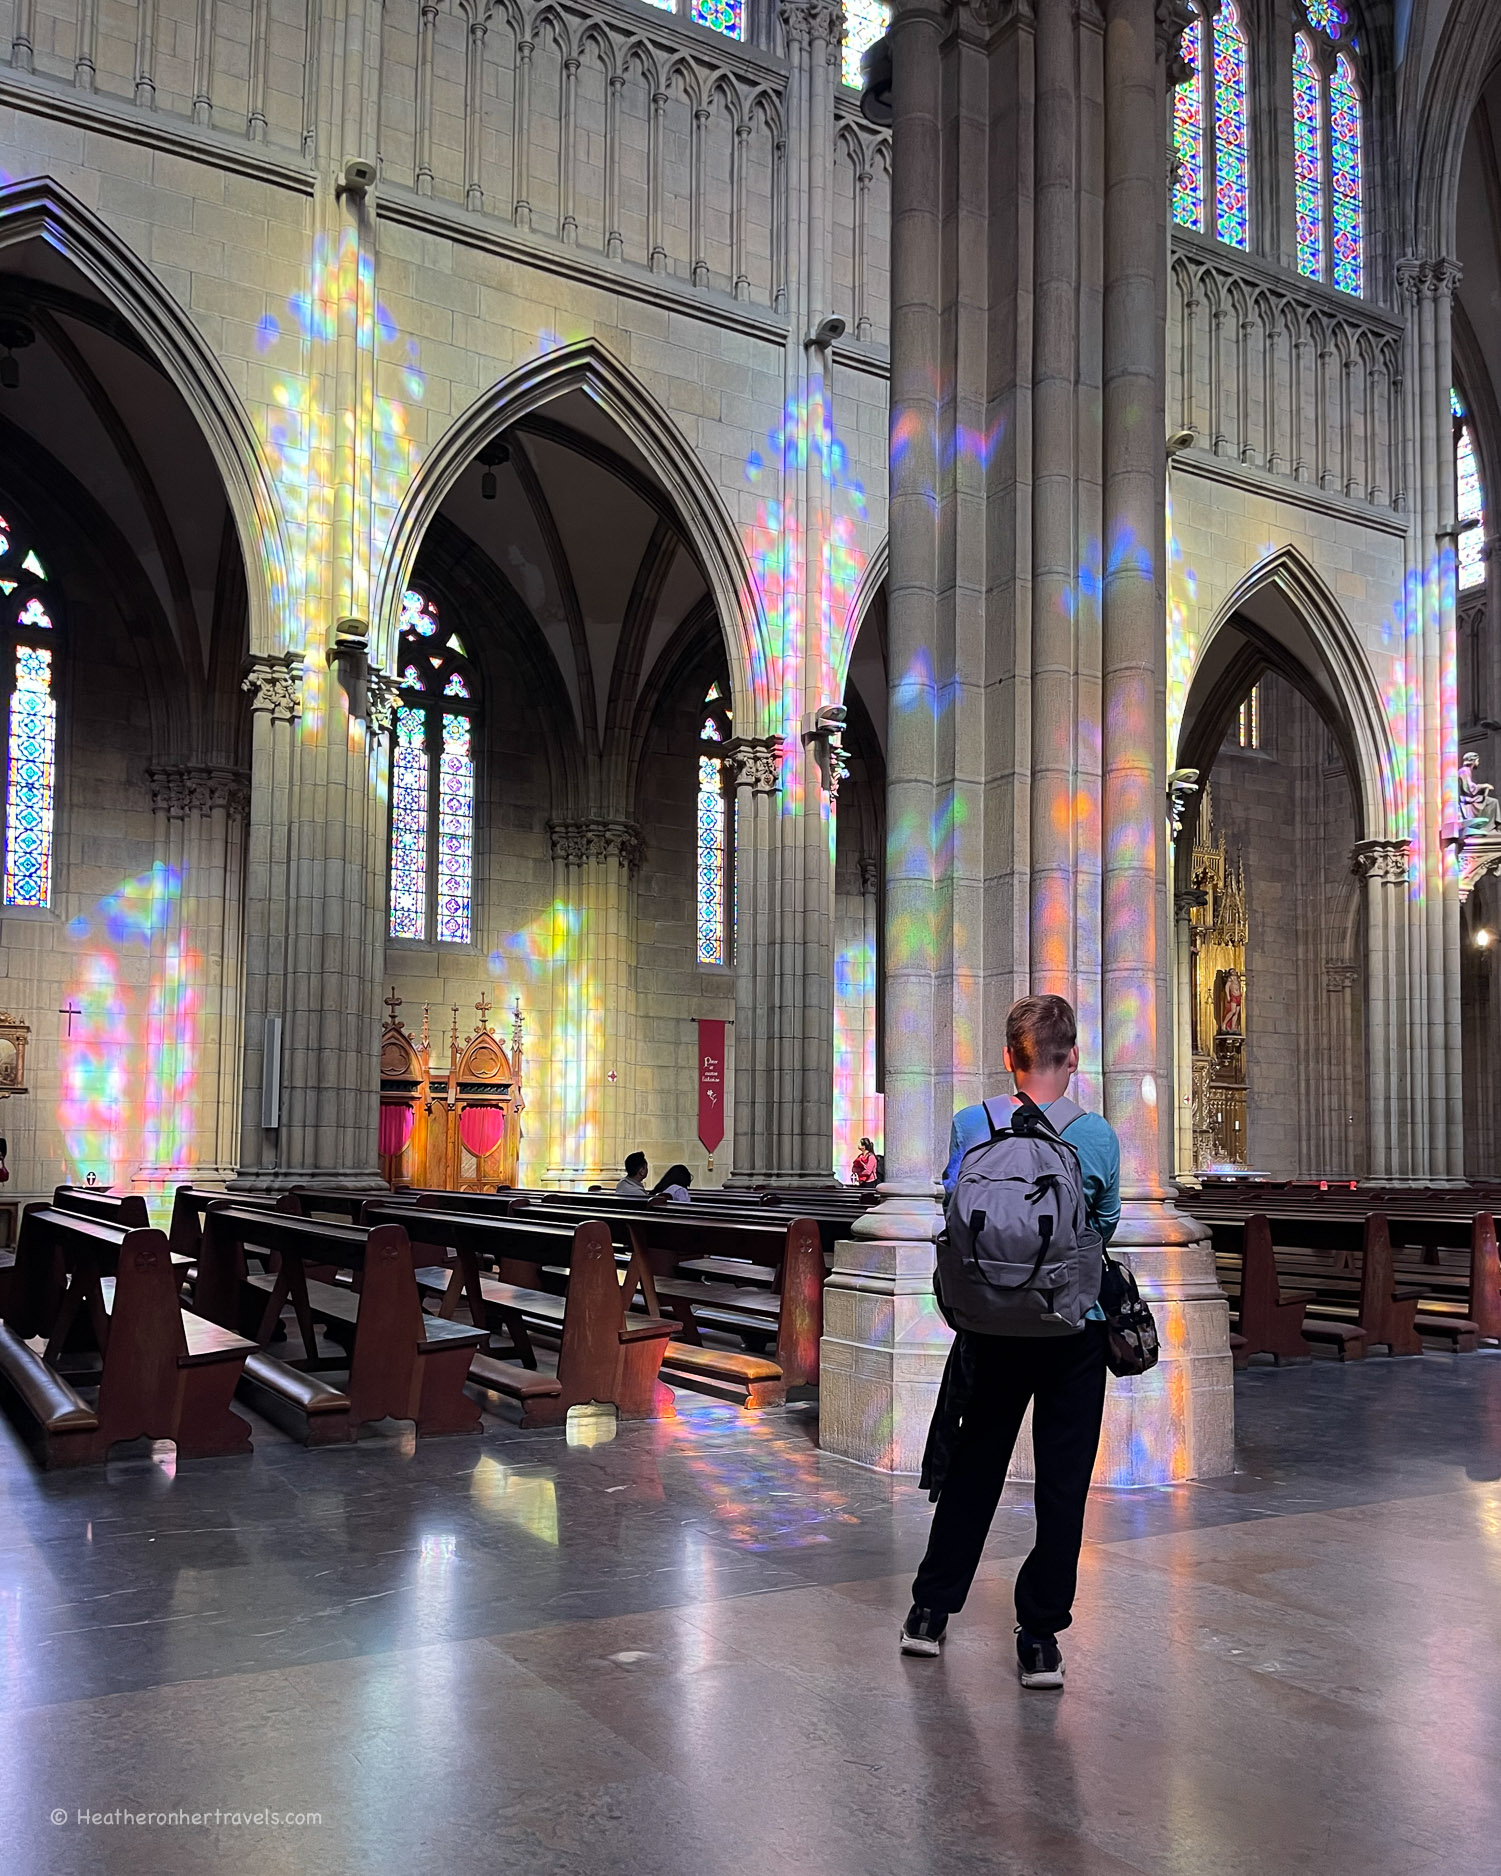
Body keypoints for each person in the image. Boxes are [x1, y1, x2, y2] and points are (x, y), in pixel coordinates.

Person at [901, 993, 1120, 1692]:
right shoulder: (1096, 1135)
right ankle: (1039, 1639)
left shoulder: (972, 1123)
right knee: (1062, 1483)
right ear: (1073, 1057)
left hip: (991, 1327)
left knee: (975, 1467)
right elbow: (1103, 1226)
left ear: (1007, 1058)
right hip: (1072, 1329)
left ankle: (929, 1612)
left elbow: (954, 1212)